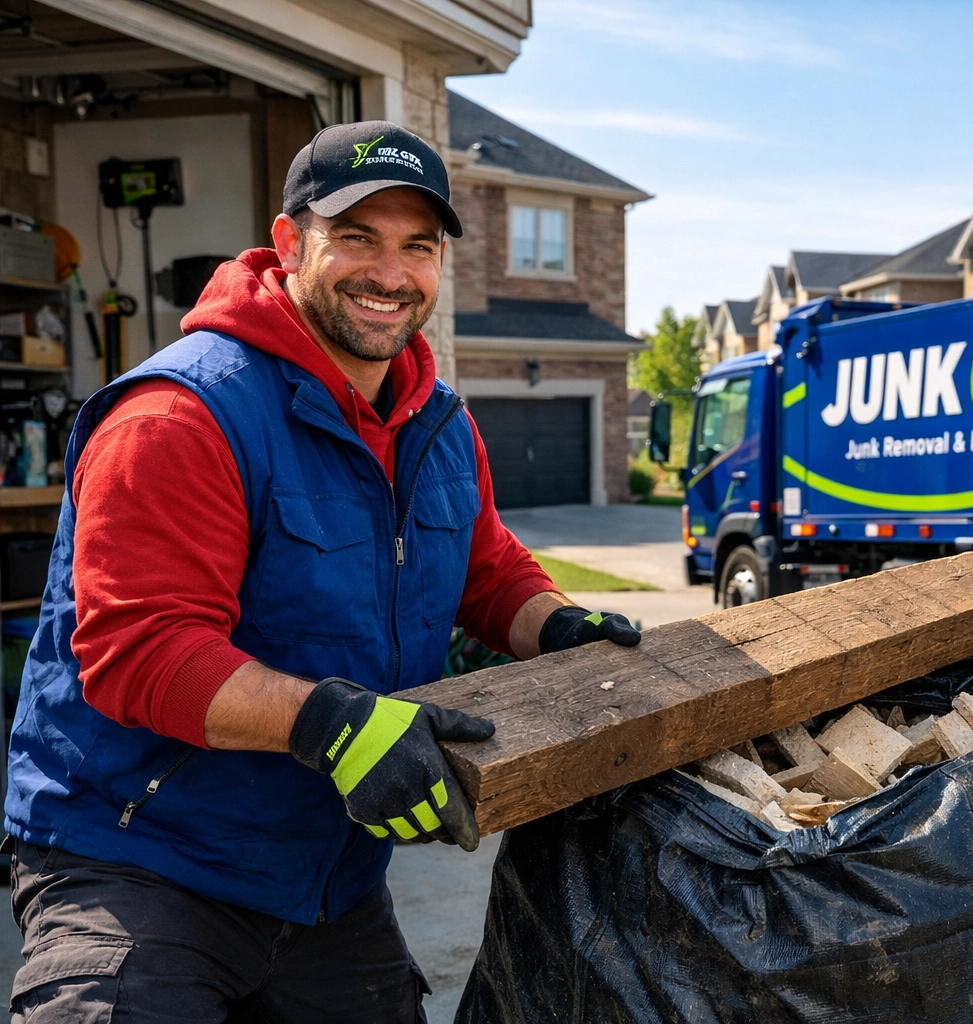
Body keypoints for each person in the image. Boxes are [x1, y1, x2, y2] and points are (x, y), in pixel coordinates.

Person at [4, 121, 640, 1022]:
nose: (391, 273)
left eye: (418, 246)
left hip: (328, 877)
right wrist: (331, 725)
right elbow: (141, 651)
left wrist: (558, 621)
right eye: (357, 237)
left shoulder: (437, 421)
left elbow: (486, 569)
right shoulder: (180, 416)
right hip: (140, 859)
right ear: (289, 241)